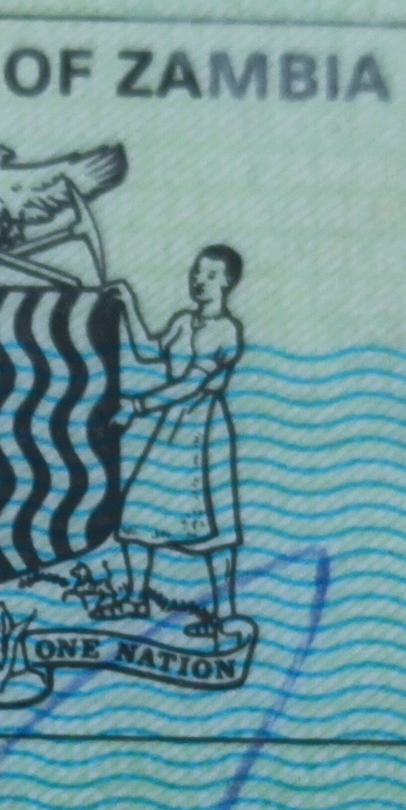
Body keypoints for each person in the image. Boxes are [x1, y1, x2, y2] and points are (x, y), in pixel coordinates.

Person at [120, 245, 247, 623]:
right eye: (197, 271)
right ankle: (136, 598)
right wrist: (126, 303)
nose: (199, 280)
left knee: (212, 524)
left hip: (204, 433)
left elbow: (192, 384)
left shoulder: (226, 331)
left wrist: (136, 406)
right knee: (139, 508)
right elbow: (148, 350)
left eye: (210, 275)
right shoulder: (181, 321)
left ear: (228, 282)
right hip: (171, 428)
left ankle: (224, 614)